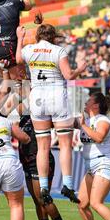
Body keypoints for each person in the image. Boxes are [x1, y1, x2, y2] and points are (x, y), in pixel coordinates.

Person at [16, 23, 87, 205]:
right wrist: (81, 67)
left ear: (38, 36)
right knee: (65, 145)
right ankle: (67, 185)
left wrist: (20, 39)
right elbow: (69, 75)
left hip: (37, 97)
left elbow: (17, 60)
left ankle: (44, 187)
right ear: (53, 36)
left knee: (42, 147)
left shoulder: (29, 49)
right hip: (56, 96)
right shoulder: (58, 51)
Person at [18, 115, 70, 220]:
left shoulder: (41, 116)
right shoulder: (22, 119)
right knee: (36, 200)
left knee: (43, 197)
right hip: (27, 162)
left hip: (40, 161)